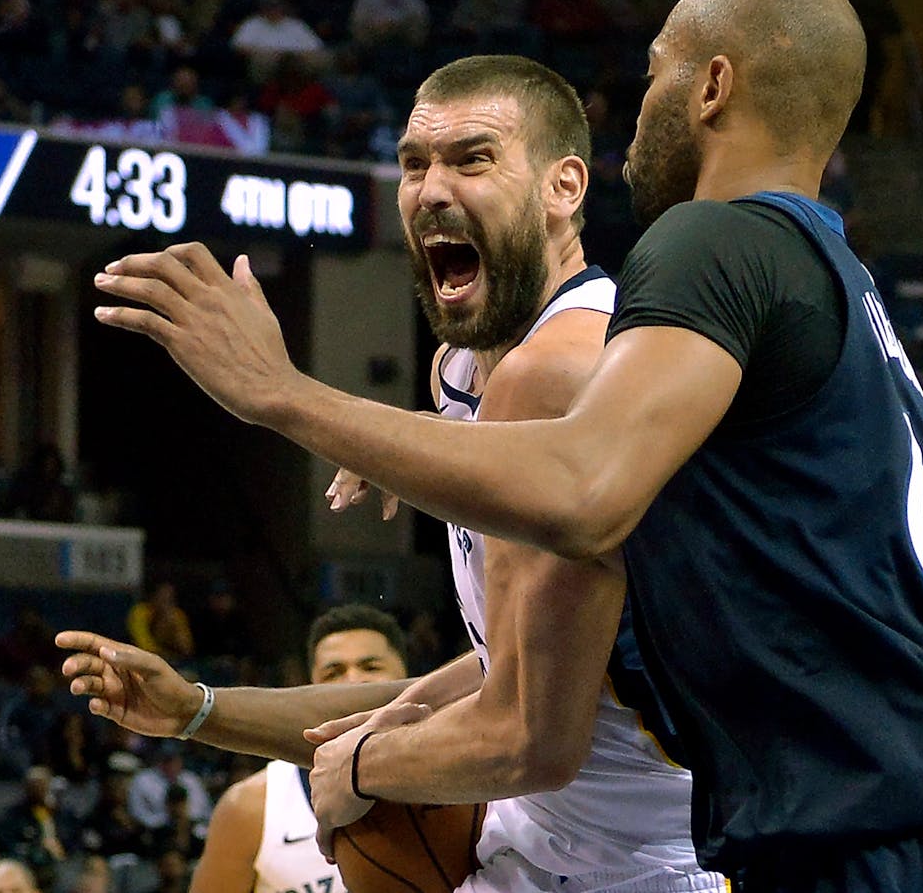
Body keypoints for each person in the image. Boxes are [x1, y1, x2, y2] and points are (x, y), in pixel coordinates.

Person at [91, 0, 923, 892]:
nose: (635, 108)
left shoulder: (706, 245)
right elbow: (509, 643)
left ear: (712, 86)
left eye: (652, 74)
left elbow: (578, 510)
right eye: (414, 162)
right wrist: (419, 451)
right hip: (893, 815)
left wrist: (285, 396)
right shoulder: (822, 274)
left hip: (842, 832)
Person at [64, 54, 720, 893]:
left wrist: (367, 765)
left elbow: (533, 739)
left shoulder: (562, 367)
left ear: (564, 187)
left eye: (472, 159)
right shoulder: (462, 370)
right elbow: (497, 679)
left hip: (641, 869)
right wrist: (199, 709)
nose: (432, 189)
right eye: (415, 163)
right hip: (538, 847)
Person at [190, 605, 409, 893]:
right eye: (334, 672)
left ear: (407, 675)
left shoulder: (461, 781)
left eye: (371, 667)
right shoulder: (251, 806)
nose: (353, 682)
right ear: (312, 690)